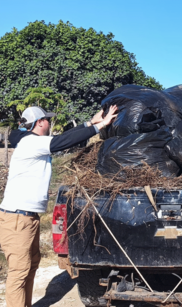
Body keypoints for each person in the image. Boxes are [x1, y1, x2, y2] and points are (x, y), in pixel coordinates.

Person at [0, 105, 118, 307]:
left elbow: (63, 137)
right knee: (19, 272)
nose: (49, 123)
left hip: (27, 218)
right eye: (47, 120)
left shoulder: (30, 141)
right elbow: (62, 141)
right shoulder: (31, 143)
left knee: (30, 266)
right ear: (39, 123)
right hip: (17, 219)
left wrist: (89, 123)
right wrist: (99, 127)